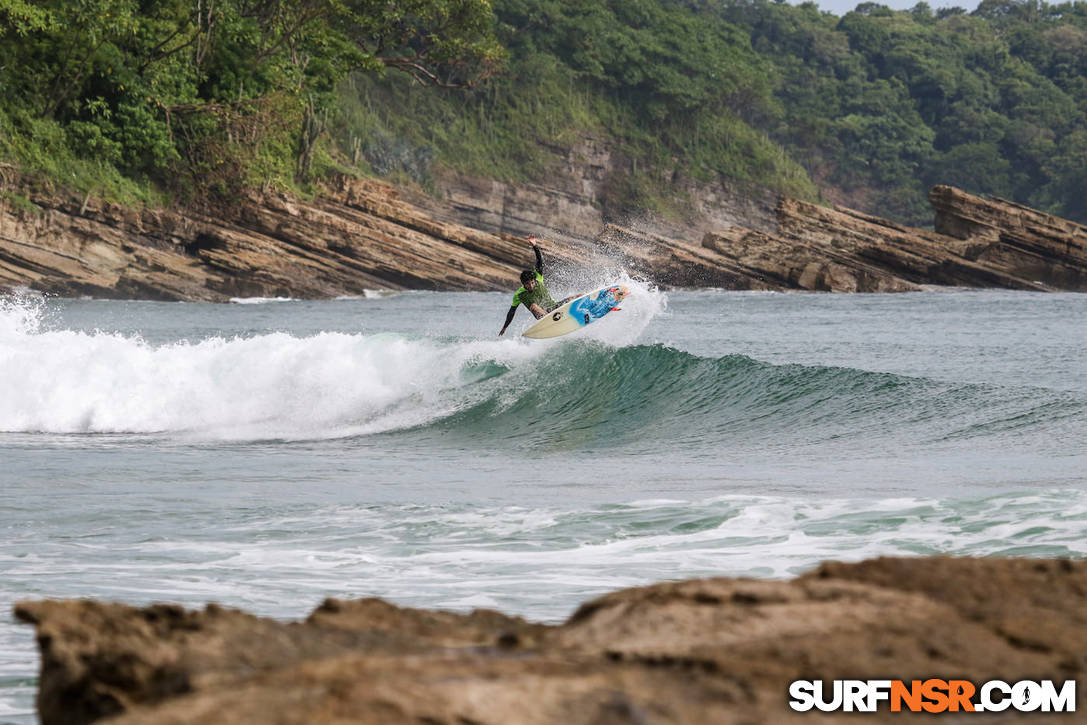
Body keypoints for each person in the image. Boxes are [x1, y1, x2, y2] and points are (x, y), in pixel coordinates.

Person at [498, 236, 558, 336]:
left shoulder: (538, 277)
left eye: (532, 283)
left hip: (554, 308)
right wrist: (505, 327)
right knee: (534, 306)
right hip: (542, 316)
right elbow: (511, 312)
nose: (531, 286)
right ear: (523, 284)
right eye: (528, 284)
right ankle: (550, 319)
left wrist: (534, 245)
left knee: (576, 297)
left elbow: (539, 260)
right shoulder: (519, 295)